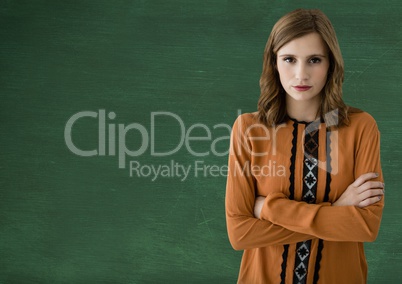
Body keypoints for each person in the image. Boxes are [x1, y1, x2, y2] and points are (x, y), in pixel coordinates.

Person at [225, 8, 384, 284]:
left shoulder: (361, 128)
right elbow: (240, 234)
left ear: (330, 64)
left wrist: (268, 210)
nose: (301, 74)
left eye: (314, 60)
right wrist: (336, 211)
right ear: (273, 63)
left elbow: (366, 226)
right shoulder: (248, 129)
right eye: (289, 59)